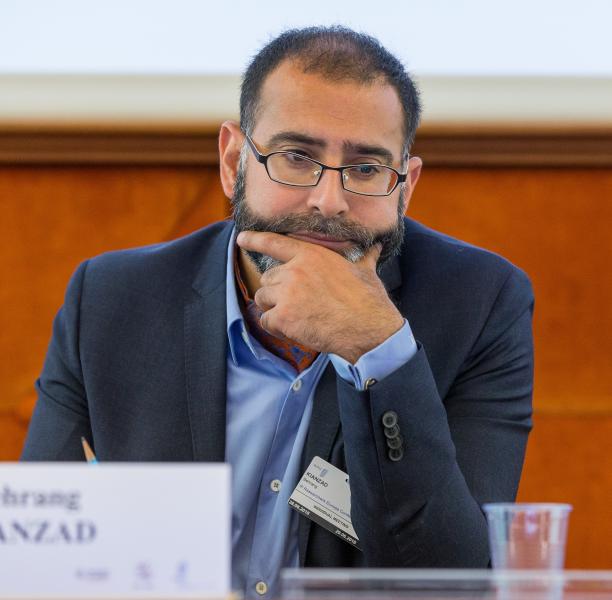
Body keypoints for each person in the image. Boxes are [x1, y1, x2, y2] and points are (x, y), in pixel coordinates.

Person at [22, 26, 534, 598]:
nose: (329, 201)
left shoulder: (480, 303)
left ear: (405, 188)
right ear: (233, 160)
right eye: (296, 157)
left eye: (366, 168)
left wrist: (377, 348)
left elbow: (454, 583)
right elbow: (41, 563)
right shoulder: (112, 300)